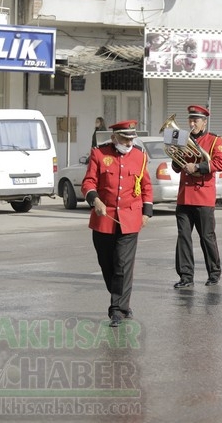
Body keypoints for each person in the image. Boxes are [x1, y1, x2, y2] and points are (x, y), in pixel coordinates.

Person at [81, 120, 153, 327]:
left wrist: (146, 212)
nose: (129, 143)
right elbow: (88, 182)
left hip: (130, 219)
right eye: (124, 139)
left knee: (122, 264)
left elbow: (146, 186)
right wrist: (95, 200)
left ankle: (117, 310)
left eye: (131, 139)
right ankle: (121, 300)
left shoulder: (140, 156)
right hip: (104, 218)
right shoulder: (99, 154)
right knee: (107, 265)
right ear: (114, 138)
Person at [172, 105, 222, 288]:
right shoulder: (182, 138)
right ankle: (186, 276)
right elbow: (175, 167)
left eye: (196, 120)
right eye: (190, 119)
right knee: (183, 237)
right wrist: (176, 156)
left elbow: (219, 163)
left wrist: (196, 167)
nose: (192, 123)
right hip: (184, 196)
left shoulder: (214, 140)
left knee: (206, 236)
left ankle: (214, 273)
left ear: (204, 122)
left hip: (203, 196)